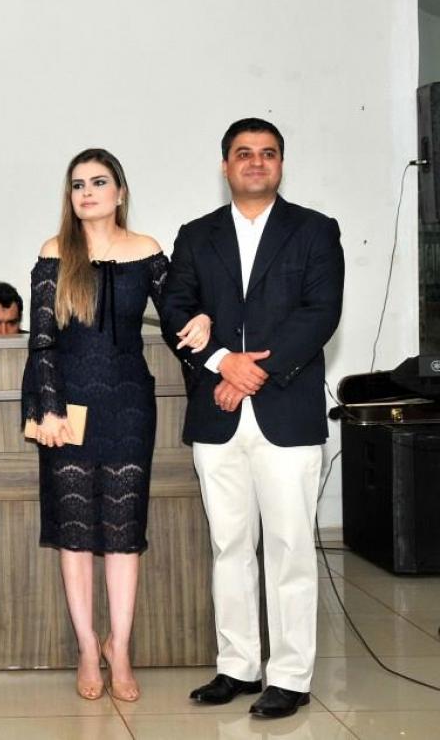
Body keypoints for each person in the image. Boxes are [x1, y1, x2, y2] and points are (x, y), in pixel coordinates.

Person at [160, 118, 344, 720]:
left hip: (285, 413)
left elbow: (320, 314)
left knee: (289, 547)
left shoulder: (314, 230)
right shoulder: (196, 235)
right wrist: (222, 363)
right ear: (225, 165)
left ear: (281, 164)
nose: (256, 162)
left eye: (268, 153)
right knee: (229, 545)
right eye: (244, 153)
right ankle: (237, 666)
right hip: (218, 417)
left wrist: (251, 374)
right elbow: (176, 309)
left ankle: (290, 675)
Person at [20, 149, 210, 703]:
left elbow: (176, 315)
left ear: (120, 192)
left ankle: (119, 648)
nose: (87, 192)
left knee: (125, 536)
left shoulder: (146, 249)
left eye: (98, 182)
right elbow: (42, 341)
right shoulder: (55, 252)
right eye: (78, 184)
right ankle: (87, 648)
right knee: (76, 536)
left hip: (129, 404)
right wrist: (47, 407)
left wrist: (200, 319)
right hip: (67, 409)